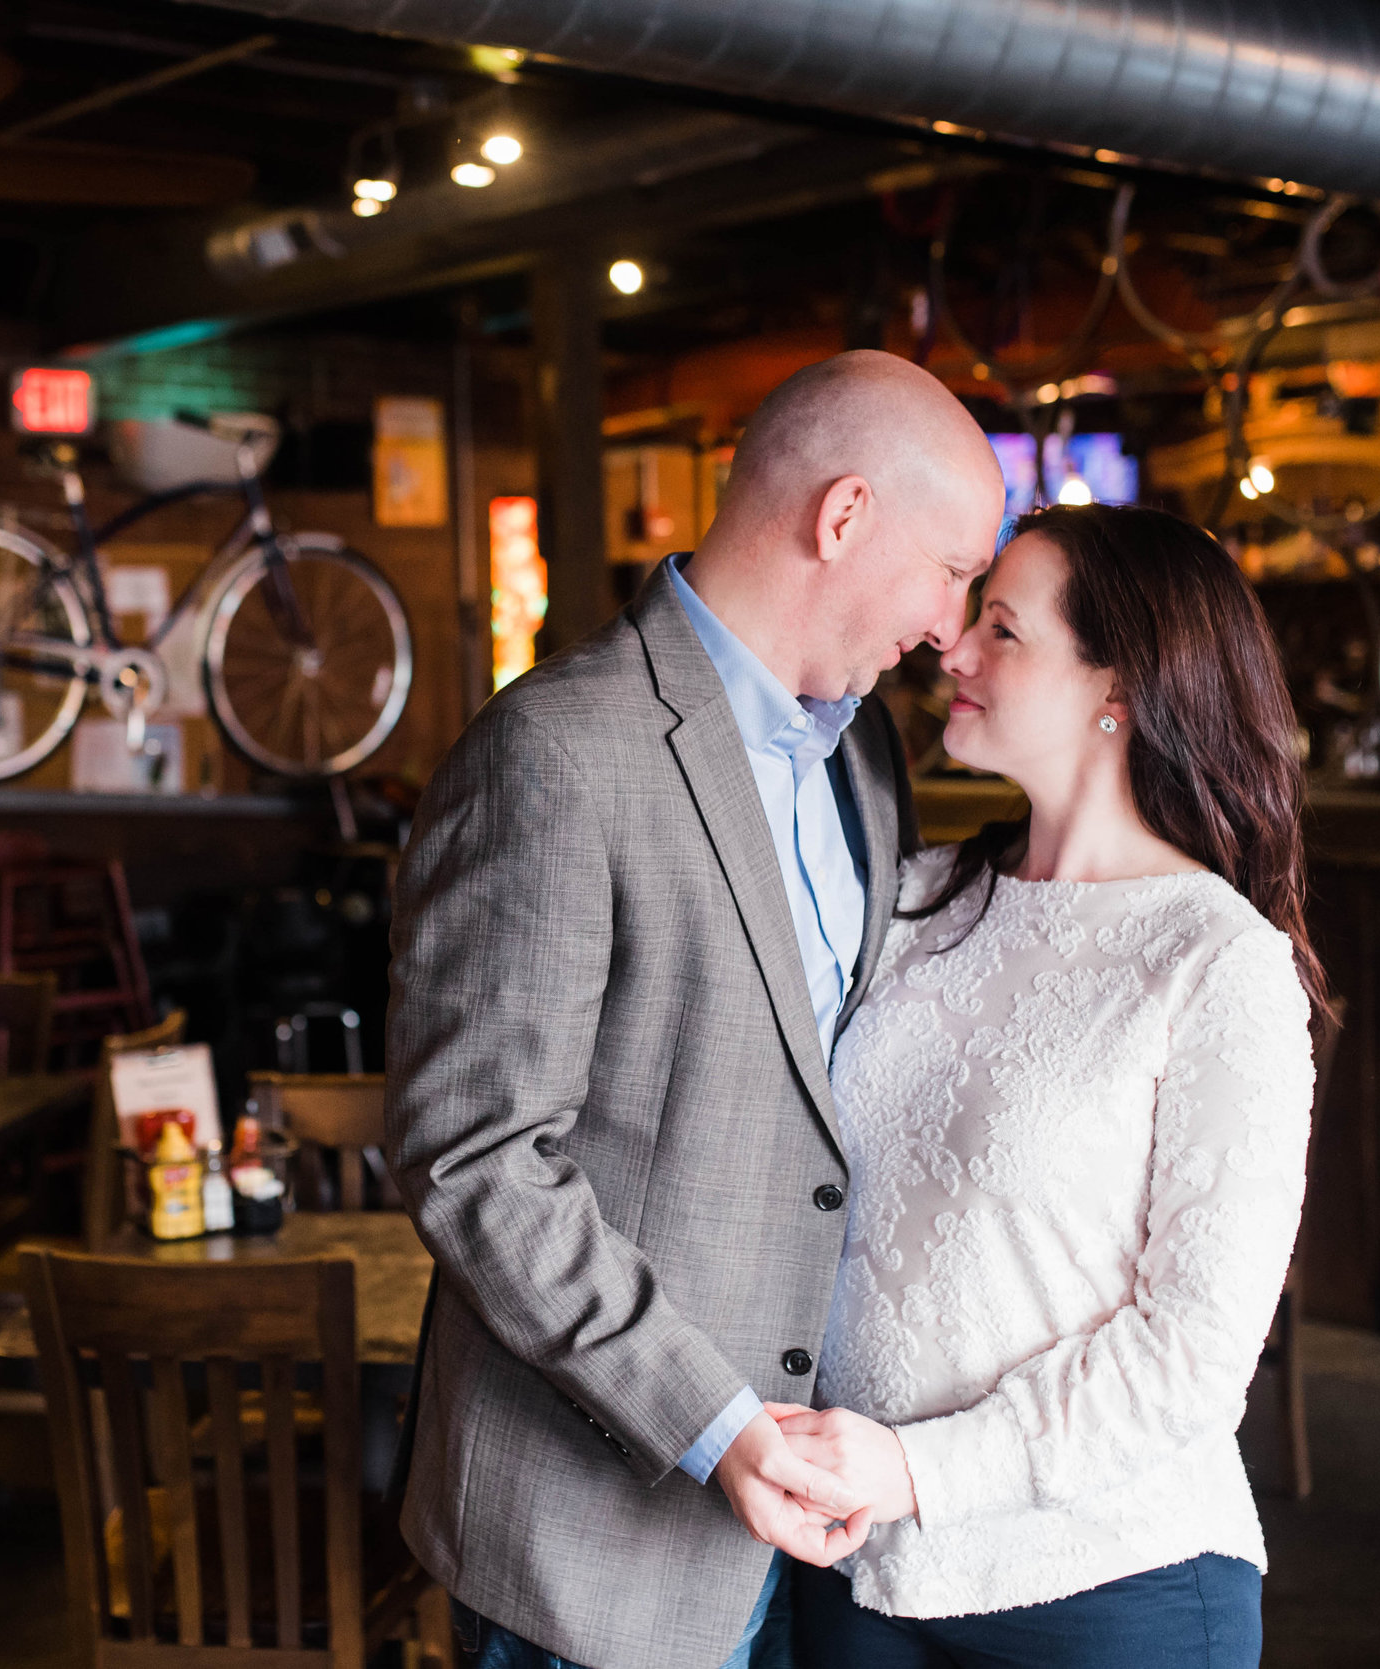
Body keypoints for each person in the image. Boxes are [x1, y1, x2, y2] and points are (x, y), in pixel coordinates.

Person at [384, 350, 1007, 1669]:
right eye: (954, 570)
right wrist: (719, 1425)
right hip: (591, 1546)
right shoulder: (549, 754)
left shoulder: (871, 751)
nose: (954, 629)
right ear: (843, 518)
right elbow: (478, 1160)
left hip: (820, 1538)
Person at [770, 502, 1326, 1669]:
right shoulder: (915, 900)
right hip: (858, 1558)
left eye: (1003, 631)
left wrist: (916, 1468)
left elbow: (1193, 1350)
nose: (952, 648)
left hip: (1107, 1584)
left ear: (1114, 685)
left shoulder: (1213, 959)